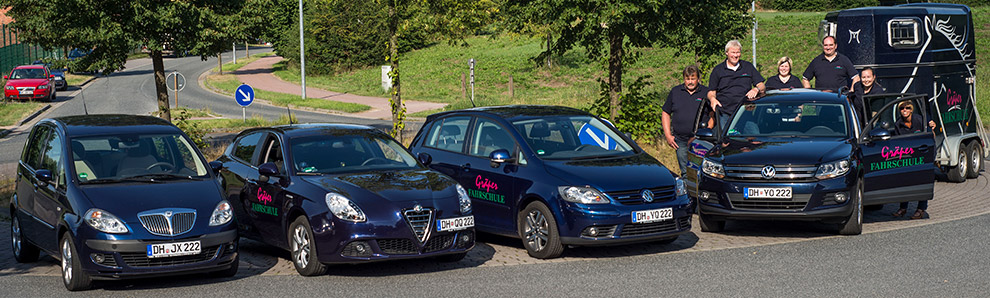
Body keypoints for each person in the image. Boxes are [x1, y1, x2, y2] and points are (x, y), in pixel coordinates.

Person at [890, 101, 936, 219]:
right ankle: (903, 208)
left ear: (911, 110)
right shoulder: (898, 124)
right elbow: (897, 142)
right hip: (908, 156)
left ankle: (921, 209)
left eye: (907, 108)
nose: (904, 110)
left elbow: (931, 136)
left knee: (922, 181)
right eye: (902, 108)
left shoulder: (920, 120)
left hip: (923, 153)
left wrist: (932, 128)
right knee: (904, 181)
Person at [662, 65, 710, 175]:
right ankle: (687, 192)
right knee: (685, 173)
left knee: (701, 172)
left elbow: (712, 115)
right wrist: (668, 135)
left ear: (698, 79)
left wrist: (708, 129)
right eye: (687, 79)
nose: (690, 82)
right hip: (680, 140)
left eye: (693, 79)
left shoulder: (706, 92)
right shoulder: (675, 92)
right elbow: (665, 112)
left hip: (700, 140)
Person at [708, 40, 765, 130]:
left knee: (755, 139)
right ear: (727, 53)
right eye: (733, 52)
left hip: (745, 113)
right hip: (725, 114)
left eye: (738, 52)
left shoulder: (748, 67)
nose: (735, 55)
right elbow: (711, 91)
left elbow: (762, 85)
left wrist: (756, 89)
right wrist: (712, 99)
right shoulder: (718, 70)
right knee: (726, 142)